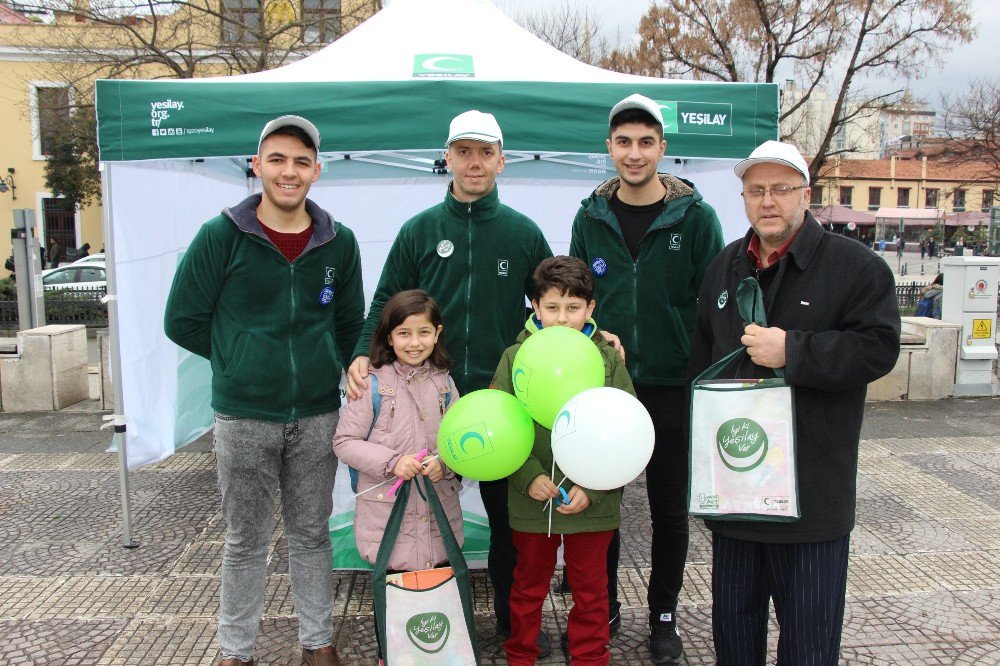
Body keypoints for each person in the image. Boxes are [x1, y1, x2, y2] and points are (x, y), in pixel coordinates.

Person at [345, 109, 555, 654]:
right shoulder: (419, 230)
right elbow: (384, 305)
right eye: (464, 151)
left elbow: (556, 307)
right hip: (424, 408)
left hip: (499, 406)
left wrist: (598, 336)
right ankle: (416, 625)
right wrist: (360, 359)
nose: (475, 162)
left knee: (510, 525)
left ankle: (514, 627)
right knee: (415, 518)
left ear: (502, 161)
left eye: (485, 152)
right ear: (448, 158)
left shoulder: (522, 233)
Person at [688, 140, 900, 664]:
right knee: (734, 641)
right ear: (742, 197)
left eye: (780, 189)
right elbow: (701, 358)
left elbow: (878, 348)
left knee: (808, 643)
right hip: (737, 495)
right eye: (755, 190)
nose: (767, 201)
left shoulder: (856, 267)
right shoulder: (724, 266)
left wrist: (794, 350)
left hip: (810, 500)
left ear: (806, 194)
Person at [165, 115, 364, 666]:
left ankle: (317, 643)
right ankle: (236, 651)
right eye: (277, 159)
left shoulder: (338, 243)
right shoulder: (221, 236)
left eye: (301, 162)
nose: (289, 171)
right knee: (244, 541)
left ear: (317, 171)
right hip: (244, 415)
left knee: (310, 535)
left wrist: (342, 364)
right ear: (256, 166)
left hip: (318, 414)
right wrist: (239, 357)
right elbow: (182, 319)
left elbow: (350, 324)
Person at [569, 93, 724, 663]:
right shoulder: (590, 217)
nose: (634, 154)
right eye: (623, 142)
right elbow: (575, 301)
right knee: (603, 506)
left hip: (673, 387)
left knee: (667, 508)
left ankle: (663, 614)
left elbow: (715, 302)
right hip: (607, 390)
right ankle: (602, 606)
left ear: (663, 148)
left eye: (645, 142)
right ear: (608, 148)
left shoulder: (697, 218)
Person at [492, 256, 635, 666]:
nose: (562, 318)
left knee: (592, 588)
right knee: (527, 585)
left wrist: (593, 486)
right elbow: (498, 426)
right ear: (534, 307)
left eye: (573, 308)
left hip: (595, 500)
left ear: (591, 309)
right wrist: (527, 477)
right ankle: (521, 654)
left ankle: (590, 657)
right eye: (552, 307)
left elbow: (625, 427)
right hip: (532, 499)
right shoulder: (514, 357)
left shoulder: (606, 358)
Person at [332, 289, 462, 662]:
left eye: (423, 332)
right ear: (388, 336)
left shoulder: (445, 383)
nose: (414, 342)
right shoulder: (370, 384)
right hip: (389, 524)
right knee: (394, 610)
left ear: (437, 333)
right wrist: (392, 462)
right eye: (403, 333)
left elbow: (462, 442)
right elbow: (344, 442)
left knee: (437, 611)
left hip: (439, 519)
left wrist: (447, 463)